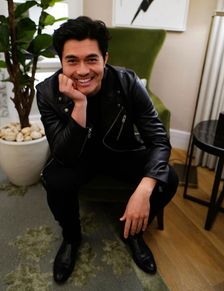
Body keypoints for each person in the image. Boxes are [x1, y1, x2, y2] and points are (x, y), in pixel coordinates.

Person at [36, 16, 178, 284]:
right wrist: (78, 104)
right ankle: (71, 238)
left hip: (121, 151)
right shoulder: (46, 92)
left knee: (167, 178)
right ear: (61, 62)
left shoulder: (128, 82)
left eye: (91, 59)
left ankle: (134, 233)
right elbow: (63, 154)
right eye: (72, 61)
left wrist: (144, 190)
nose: (82, 70)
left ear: (105, 58)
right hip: (77, 157)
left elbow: (158, 139)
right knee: (54, 180)